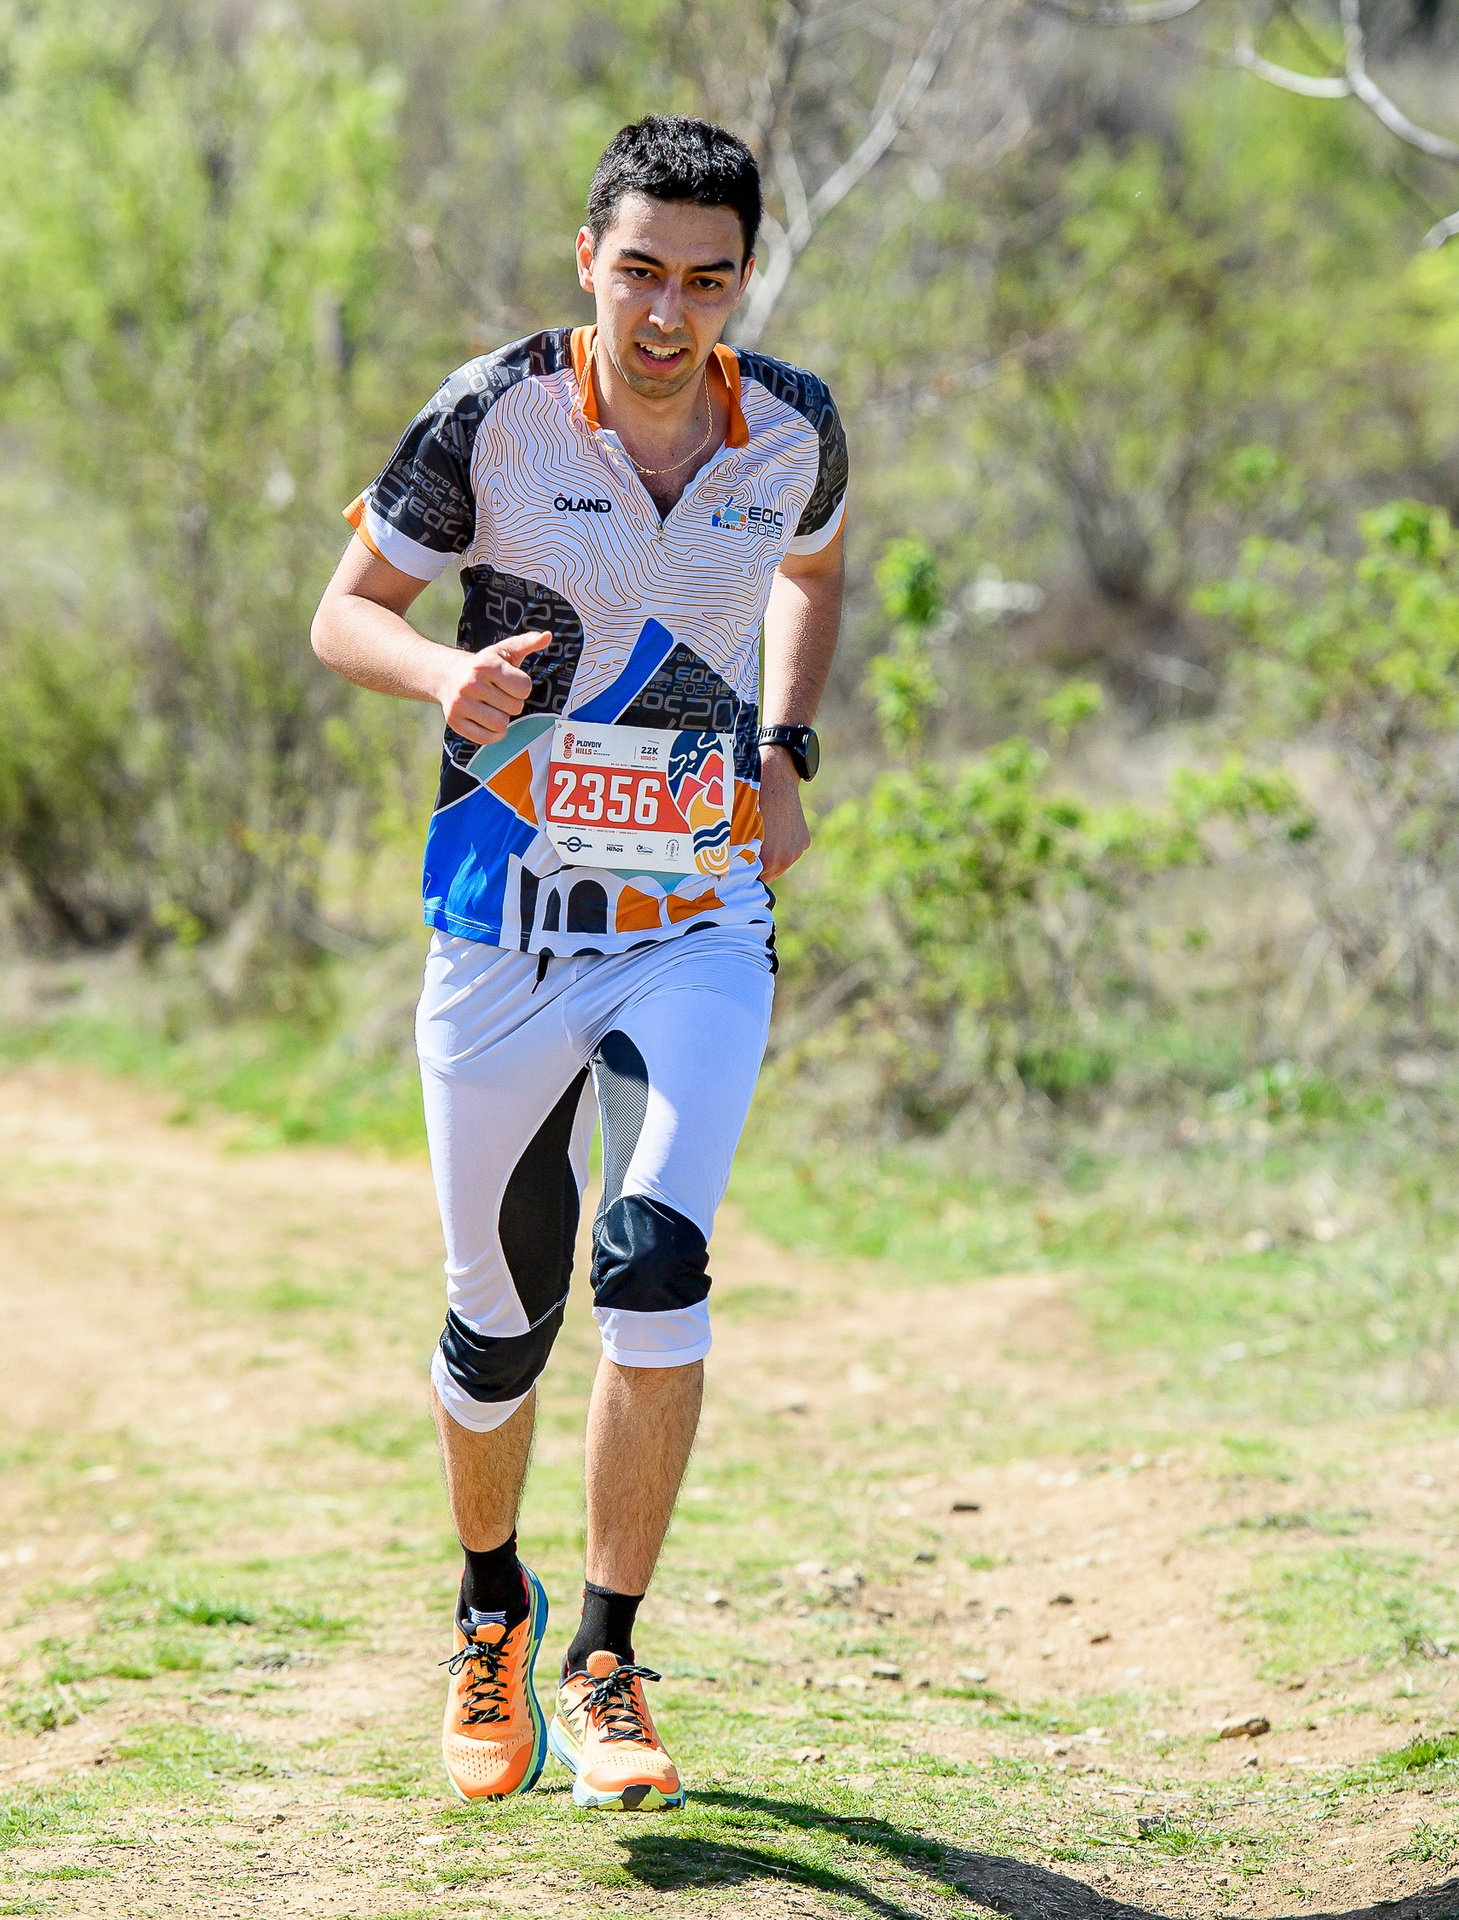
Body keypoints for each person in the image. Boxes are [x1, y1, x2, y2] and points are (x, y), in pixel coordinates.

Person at [308, 116, 845, 1809]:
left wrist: (790, 752)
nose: (671, 313)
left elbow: (813, 574)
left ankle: (605, 1655)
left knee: (654, 1260)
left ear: (742, 278)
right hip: (507, 915)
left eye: (708, 277)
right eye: (640, 273)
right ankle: (492, 1608)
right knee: (495, 1316)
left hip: (694, 915)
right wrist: (432, 683)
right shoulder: (494, 410)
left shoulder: (799, 427)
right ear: (587, 263)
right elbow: (346, 609)